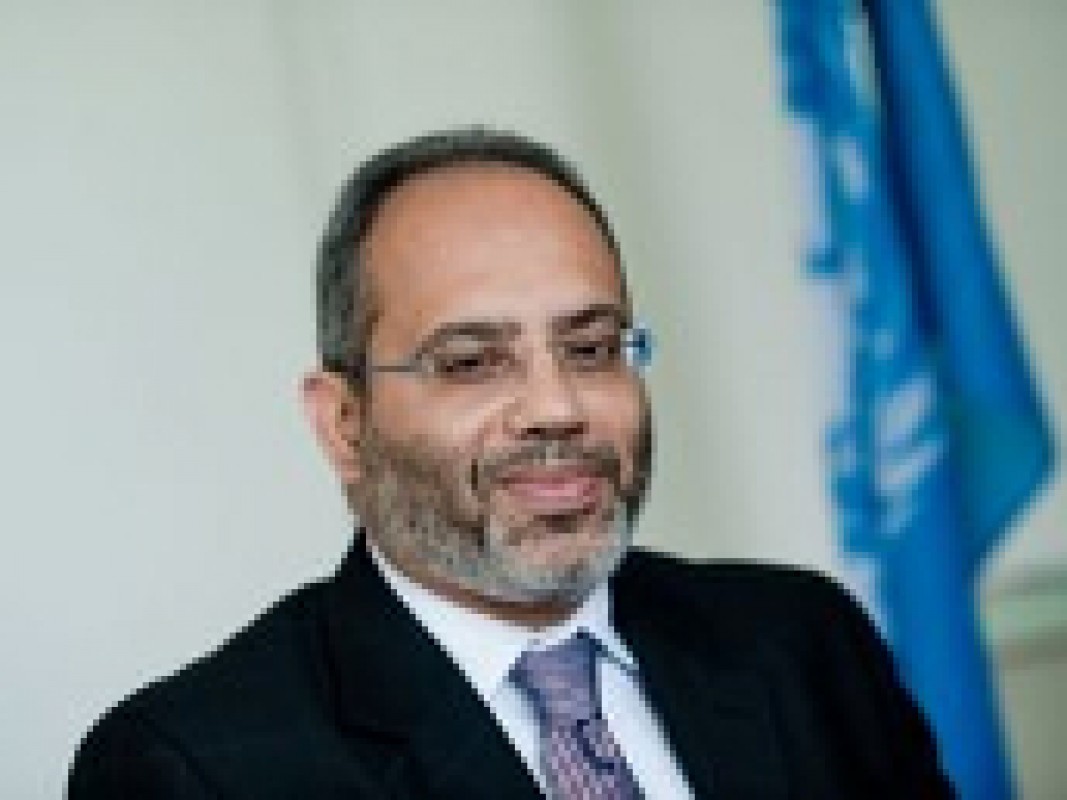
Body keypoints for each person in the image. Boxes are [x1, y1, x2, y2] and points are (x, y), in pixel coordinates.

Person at [68, 128, 955, 799]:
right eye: (470, 363)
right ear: (344, 423)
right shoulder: (192, 766)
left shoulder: (801, 641)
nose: (556, 408)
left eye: (592, 348)